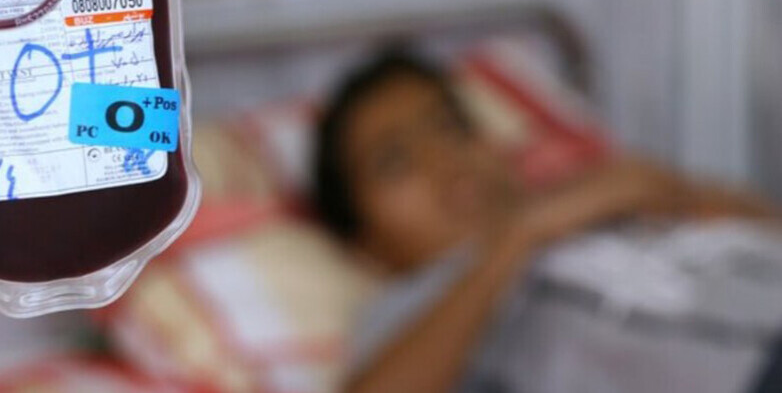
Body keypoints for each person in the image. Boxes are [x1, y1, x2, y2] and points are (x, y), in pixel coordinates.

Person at [313, 52, 773, 393]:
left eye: (451, 127)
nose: (443, 159)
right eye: (394, 162)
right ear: (363, 243)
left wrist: (675, 191)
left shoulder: (588, 200)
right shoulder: (405, 318)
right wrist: (519, 237)